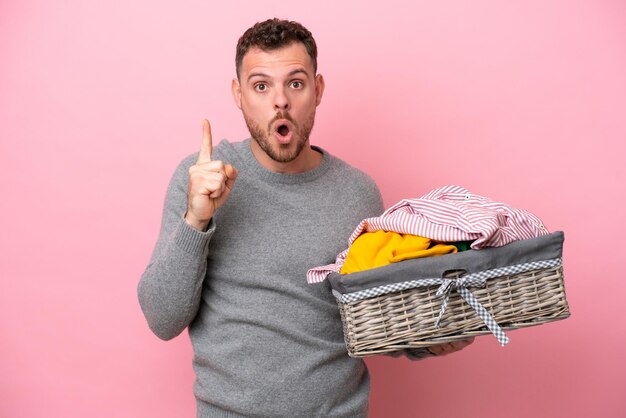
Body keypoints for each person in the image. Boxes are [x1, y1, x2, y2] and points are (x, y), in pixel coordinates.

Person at [138, 18, 473, 417]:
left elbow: (371, 314)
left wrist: (429, 341)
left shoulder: (357, 192)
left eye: (295, 83)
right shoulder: (199, 179)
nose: (280, 101)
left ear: (318, 90)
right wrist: (197, 220)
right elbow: (162, 319)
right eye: (261, 86)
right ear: (239, 95)